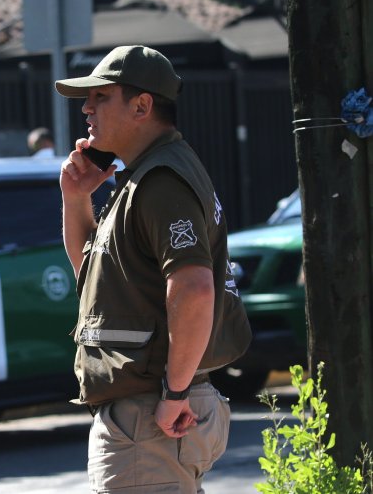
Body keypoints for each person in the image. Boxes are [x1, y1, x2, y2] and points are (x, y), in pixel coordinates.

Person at [55, 45, 251, 492]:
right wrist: (76, 199)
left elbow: (195, 288)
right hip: (148, 416)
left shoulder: (161, 181)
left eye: (101, 97)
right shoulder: (144, 177)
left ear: (142, 106)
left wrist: (175, 393)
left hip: (150, 418)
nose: (86, 109)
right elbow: (94, 276)